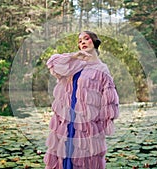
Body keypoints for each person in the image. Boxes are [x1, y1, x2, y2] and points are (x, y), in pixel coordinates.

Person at [44, 30, 119, 169]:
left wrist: (101, 126)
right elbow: (53, 64)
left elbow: (109, 102)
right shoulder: (73, 64)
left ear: (94, 42)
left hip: (87, 124)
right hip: (66, 120)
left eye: (86, 39)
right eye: (79, 41)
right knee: (63, 157)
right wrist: (74, 56)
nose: (82, 42)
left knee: (85, 159)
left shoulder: (102, 69)